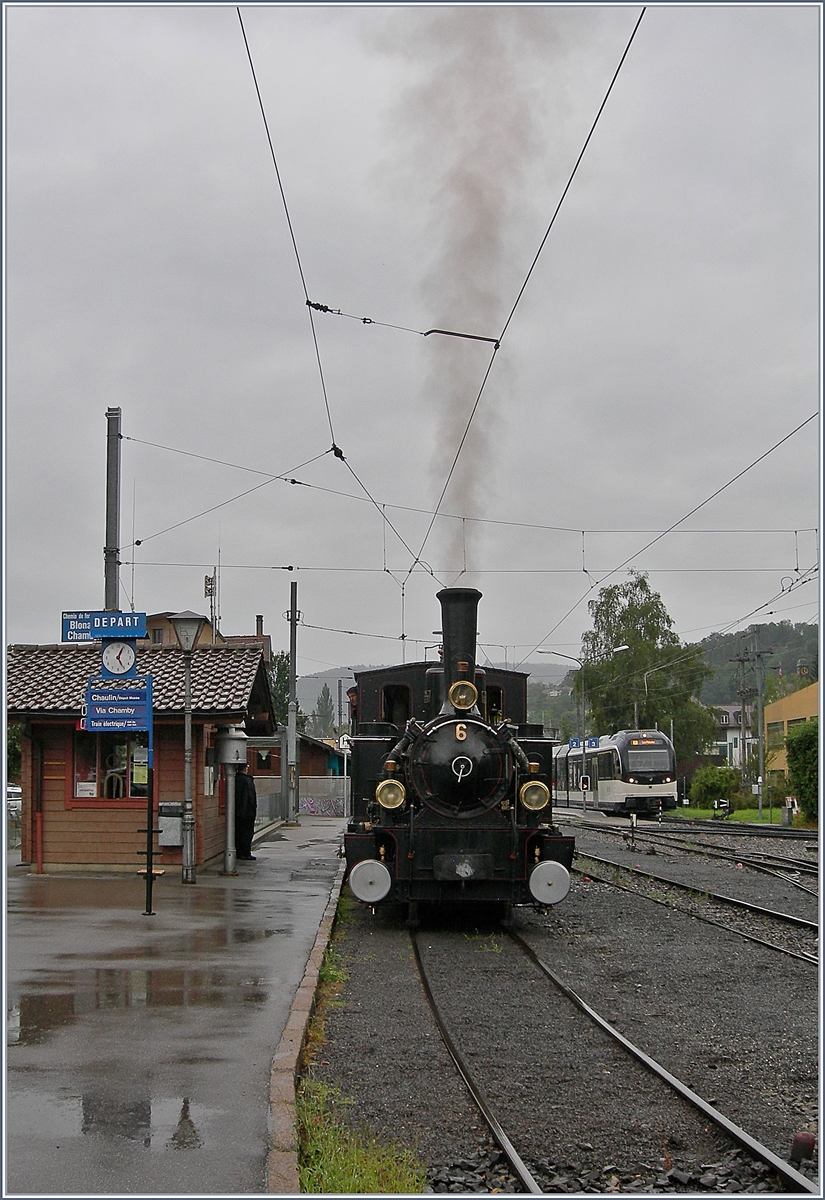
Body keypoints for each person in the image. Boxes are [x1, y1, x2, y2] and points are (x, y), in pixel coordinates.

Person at [234, 762, 257, 860]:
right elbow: (251, 797)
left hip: (235, 811)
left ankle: (238, 852)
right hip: (247, 812)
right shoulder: (248, 781)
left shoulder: (234, 779)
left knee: (237, 832)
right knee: (247, 833)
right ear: (245, 769)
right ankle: (245, 852)